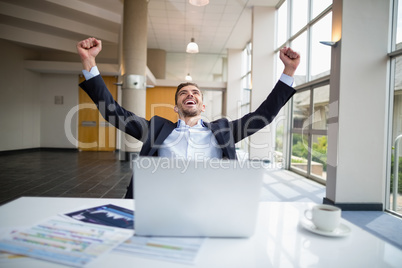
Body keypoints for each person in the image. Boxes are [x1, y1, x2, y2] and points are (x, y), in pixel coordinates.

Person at [77, 37, 300, 198]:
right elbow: (114, 113)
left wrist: (288, 72)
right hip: (161, 201)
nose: (189, 94)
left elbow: (263, 116)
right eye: (183, 93)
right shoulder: (156, 129)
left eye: (195, 93)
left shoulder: (224, 131)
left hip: (210, 201)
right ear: (176, 107)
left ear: (202, 105)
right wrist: (89, 64)